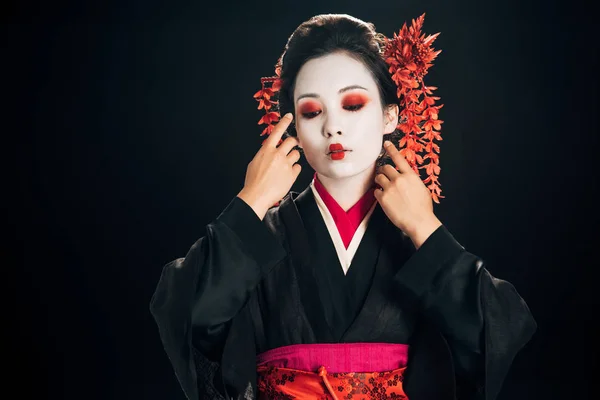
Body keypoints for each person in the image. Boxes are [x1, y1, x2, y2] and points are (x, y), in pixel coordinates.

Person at [150, 13, 536, 400]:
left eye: (352, 104)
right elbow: (187, 320)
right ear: (294, 129)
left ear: (390, 115)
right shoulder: (260, 236)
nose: (332, 127)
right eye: (312, 111)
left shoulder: (415, 239)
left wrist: (425, 228)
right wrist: (250, 203)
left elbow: (496, 335)